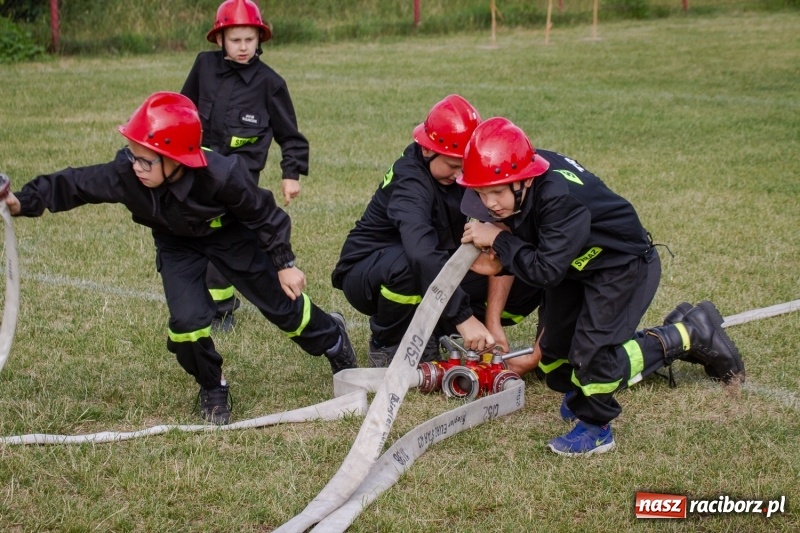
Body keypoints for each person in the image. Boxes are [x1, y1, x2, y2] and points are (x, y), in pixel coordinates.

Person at [3, 91, 356, 425]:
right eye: (132, 155)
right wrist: (22, 202)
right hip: (177, 244)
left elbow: (265, 215)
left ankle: (333, 339)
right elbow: (75, 183)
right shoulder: (128, 173)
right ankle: (212, 385)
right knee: (187, 323)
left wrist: (284, 264)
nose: (136, 166)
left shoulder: (222, 175)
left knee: (281, 306)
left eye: (145, 160)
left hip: (230, 236)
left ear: (175, 159)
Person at [458, 117, 744, 456]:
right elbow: (537, 243)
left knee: (592, 354)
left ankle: (598, 427)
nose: (490, 204)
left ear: (524, 179)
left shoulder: (561, 201)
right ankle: (580, 392)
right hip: (576, 266)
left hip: (620, 267)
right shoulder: (521, 171)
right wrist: (499, 257)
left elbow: (546, 271)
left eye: (496, 192)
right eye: (481, 193)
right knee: (553, 349)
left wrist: (500, 242)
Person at [331, 95, 542, 367]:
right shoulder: (410, 182)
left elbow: (502, 231)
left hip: (432, 264)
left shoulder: (460, 176)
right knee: (408, 266)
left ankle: (433, 331)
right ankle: (389, 343)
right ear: (427, 150)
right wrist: (463, 317)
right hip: (369, 271)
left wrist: (491, 320)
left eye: (464, 166)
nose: (459, 175)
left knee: (527, 274)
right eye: (453, 166)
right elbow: (421, 252)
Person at [181, 0, 309, 331]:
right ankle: (195, 299)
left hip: (239, 180)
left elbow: (290, 136)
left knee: (227, 240)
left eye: (249, 40)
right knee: (192, 235)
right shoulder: (203, 67)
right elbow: (183, 111)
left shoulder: (270, 83)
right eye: (235, 40)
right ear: (220, 39)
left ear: (259, 39)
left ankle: (223, 309)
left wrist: (291, 174)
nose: (243, 47)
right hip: (198, 172)